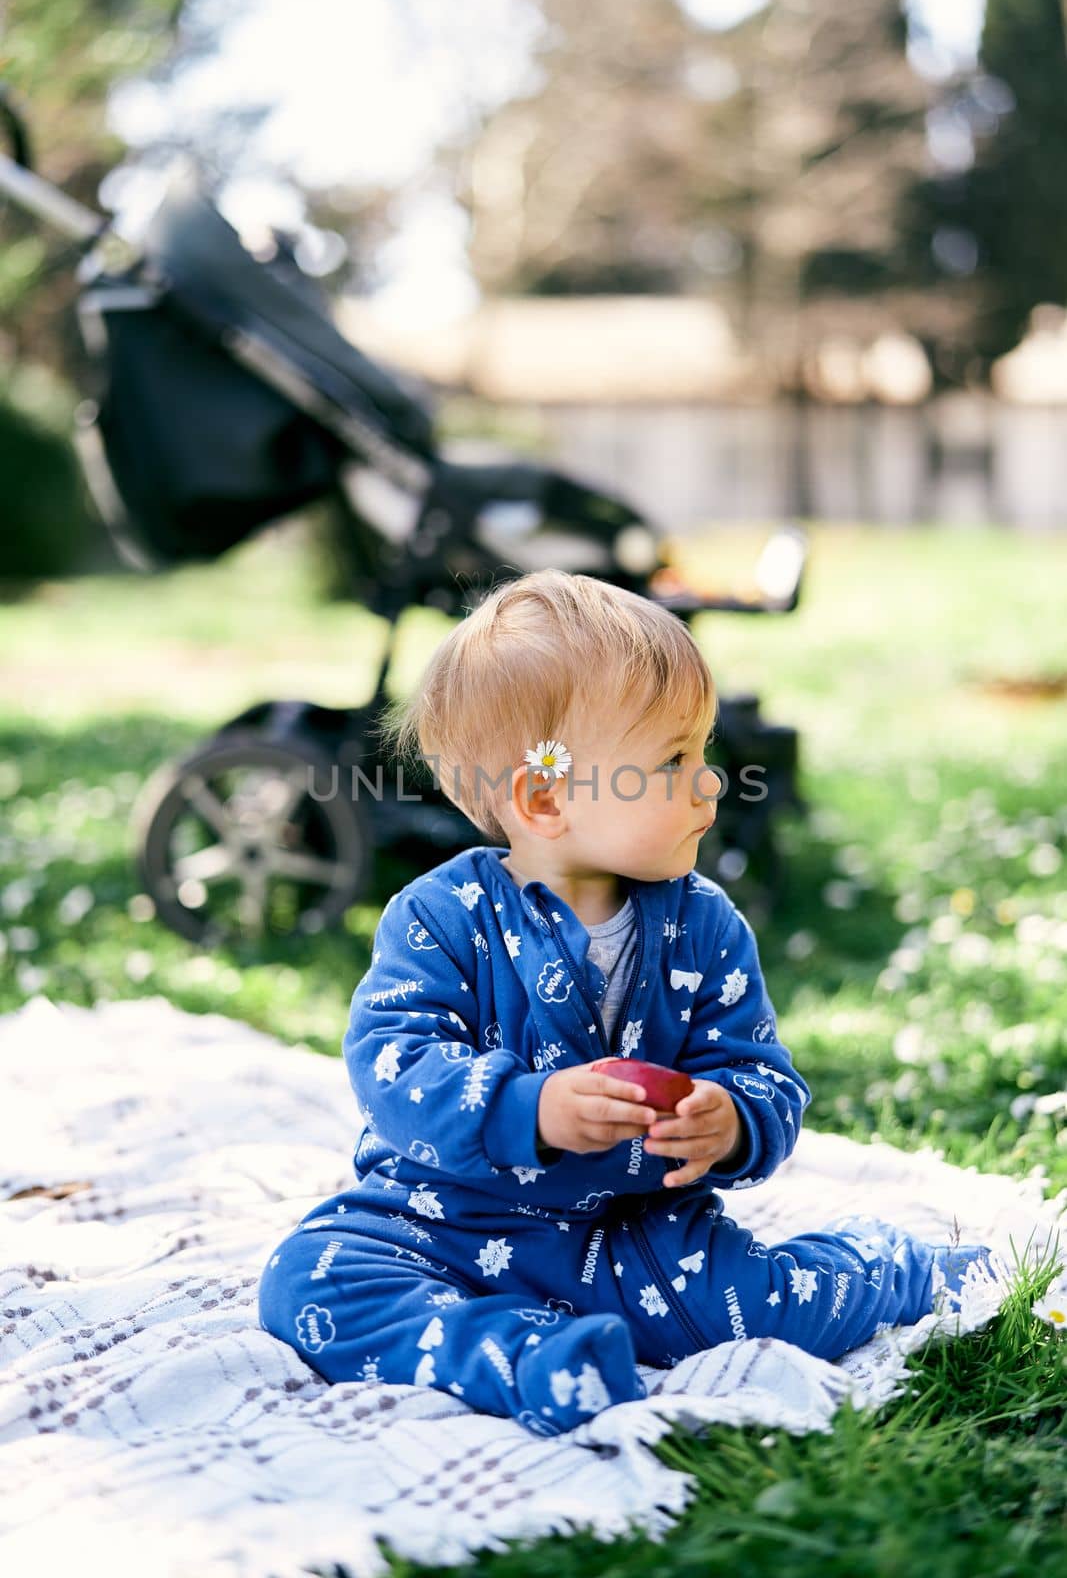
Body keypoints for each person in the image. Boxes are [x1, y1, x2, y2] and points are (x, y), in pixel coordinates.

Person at [258, 569, 993, 1436]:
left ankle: (886, 1267)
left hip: (634, 1236)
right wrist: (525, 1106)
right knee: (311, 1283)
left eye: (703, 752)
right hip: (445, 1218)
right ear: (546, 797)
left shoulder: (702, 926)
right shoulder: (438, 917)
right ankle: (526, 1356)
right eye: (674, 760)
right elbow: (393, 1064)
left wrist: (731, 1120)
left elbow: (759, 1072)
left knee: (763, 1305)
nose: (710, 783)